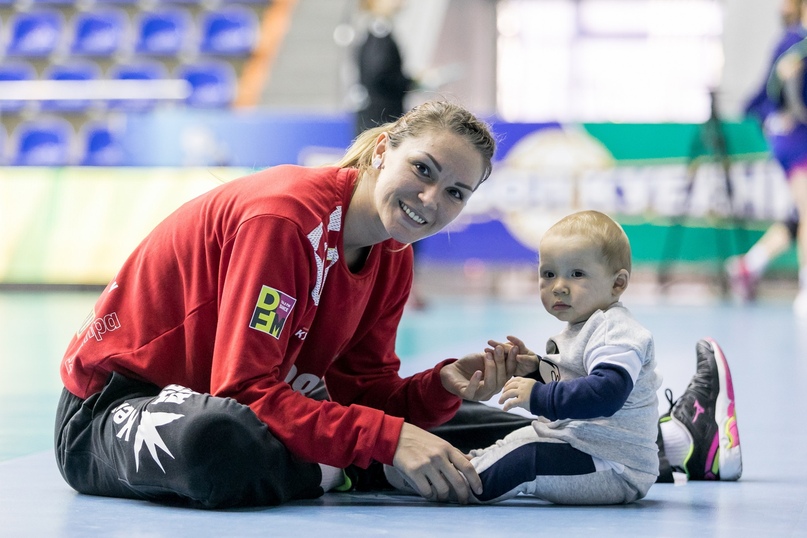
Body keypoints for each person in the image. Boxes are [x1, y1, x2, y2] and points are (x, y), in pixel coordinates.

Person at [54, 100, 519, 509]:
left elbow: (365, 393)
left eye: (455, 192)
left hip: (242, 400)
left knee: (497, 431)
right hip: (116, 408)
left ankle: (352, 464)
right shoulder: (285, 219)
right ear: (382, 149)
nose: (431, 198)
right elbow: (242, 392)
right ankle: (344, 471)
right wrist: (388, 440)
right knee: (218, 442)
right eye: (423, 169)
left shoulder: (392, 256)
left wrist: (441, 387)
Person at [386, 210, 743, 504]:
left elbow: (606, 392)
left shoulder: (615, 329)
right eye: (548, 274)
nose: (558, 286)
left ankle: (461, 482)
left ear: (618, 284)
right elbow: (573, 377)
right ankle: (464, 465)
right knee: (521, 440)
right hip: (582, 447)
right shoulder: (581, 327)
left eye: (576, 274)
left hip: (612, 467)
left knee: (528, 457)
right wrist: (535, 368)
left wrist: (538, 395)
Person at [728, 0, 807, 315]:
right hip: (796, 142)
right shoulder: (792, 42)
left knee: (798, 216)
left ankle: (748, 265)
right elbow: (765, 93)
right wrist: (774, 114)